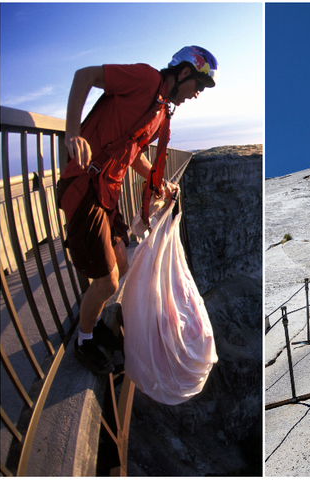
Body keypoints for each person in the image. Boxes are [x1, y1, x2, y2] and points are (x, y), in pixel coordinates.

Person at [56, 46, 218, 375]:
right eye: (198, 86)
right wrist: (72, 133)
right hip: (85, 188)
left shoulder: (160, 109)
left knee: (121, 262)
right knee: (107, 282)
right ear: (184, 72)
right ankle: (83, 341)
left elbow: (133, 155)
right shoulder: (145, 79)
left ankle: (96, 324)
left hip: (107, 193)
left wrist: (159, 182)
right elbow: (84, 76)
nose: (197, 94)